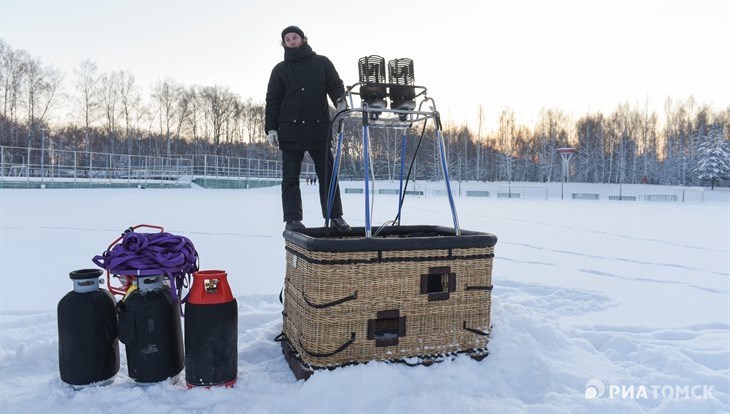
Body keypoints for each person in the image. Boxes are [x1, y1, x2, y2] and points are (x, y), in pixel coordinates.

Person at [265, 25, 350, 232]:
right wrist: (271, 129)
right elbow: (273, 101)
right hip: (290, 131)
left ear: (303, 39)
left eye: (295, 37)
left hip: (318, 128)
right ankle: (293, 219)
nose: (292, 41)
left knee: (328, 175)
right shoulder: (280, 70)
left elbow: (335, 84)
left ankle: (335, 216)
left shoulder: (321, 63)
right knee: (290, 177)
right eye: (288, 39)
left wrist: (340, 100)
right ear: (284, 44)